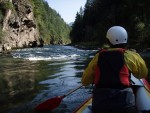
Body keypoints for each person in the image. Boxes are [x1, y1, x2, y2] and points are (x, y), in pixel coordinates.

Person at [81, 26, 148, 113]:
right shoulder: (132, 56)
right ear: (125, 39)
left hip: (101, 105)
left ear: (108, 41)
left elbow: (85, 81)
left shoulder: (98, 57)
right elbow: (142, 74)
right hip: (125, 105)